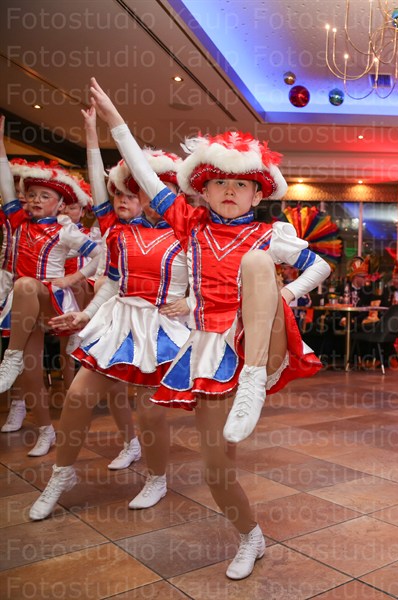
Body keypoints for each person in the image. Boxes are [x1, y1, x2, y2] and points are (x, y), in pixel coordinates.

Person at [90, 77, 331, 579]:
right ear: (203, 190)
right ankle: (250, 535)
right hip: (207, 347)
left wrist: (286, 295)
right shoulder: (189, 224)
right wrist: (116, 124)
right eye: (220, 183)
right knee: (217, 468)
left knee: (259, 265)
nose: (229, 191)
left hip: (260, 338)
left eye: (241, 184)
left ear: (257, 193)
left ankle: (253, 379)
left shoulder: (269, 234)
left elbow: (320, 266)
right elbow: (146, 177)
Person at [28, 106, 193, 520]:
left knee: (149, 412)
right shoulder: (119, 231)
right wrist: (85, 316)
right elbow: (113, 283)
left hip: (162, 329)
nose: (148, 197)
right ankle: (61, 474)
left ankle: (156, 477)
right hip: (118, 323)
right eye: (142, 190)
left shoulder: (190, 234)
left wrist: (190, 303)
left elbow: (214, 285)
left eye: (158, 190)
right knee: (78, 397)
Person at [0, 117, 103, 457]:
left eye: (44, 196)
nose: (35, 200)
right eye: (31, 195)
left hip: (52, 299)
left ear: (60, 204)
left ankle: (10, 356)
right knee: (32, 372)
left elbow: (99, 253)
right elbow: (5, 182)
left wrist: (73, 278)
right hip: (24, 303)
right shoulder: (17, 221)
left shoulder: (65, 230)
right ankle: (46, 430)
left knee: (27, 285)